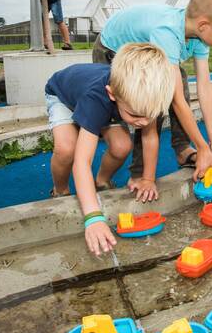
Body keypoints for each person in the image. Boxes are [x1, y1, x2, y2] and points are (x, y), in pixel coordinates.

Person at [92, 0, 212, 188]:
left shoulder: (198, 36)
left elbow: (205, 87)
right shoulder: (167, 32)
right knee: (150, 102)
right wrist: (202, 148)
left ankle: (182, 148)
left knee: (180, 80)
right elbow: (175, 100)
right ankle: (138, 174)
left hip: (145, 50)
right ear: (204, 25)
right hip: (111, 49)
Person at [44, 43, 175, 256]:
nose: (142, 122)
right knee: (66, 149)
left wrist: (148, 179)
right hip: (62, 96)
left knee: (122, 145)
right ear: (113, 94)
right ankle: (60, 190)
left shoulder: (145, 100)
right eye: (135, 116)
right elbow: (82, 162)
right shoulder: (97, 98)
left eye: (148, 116)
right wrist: (94, 217)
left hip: (110, 104)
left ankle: (101, 182)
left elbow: (150, 136)